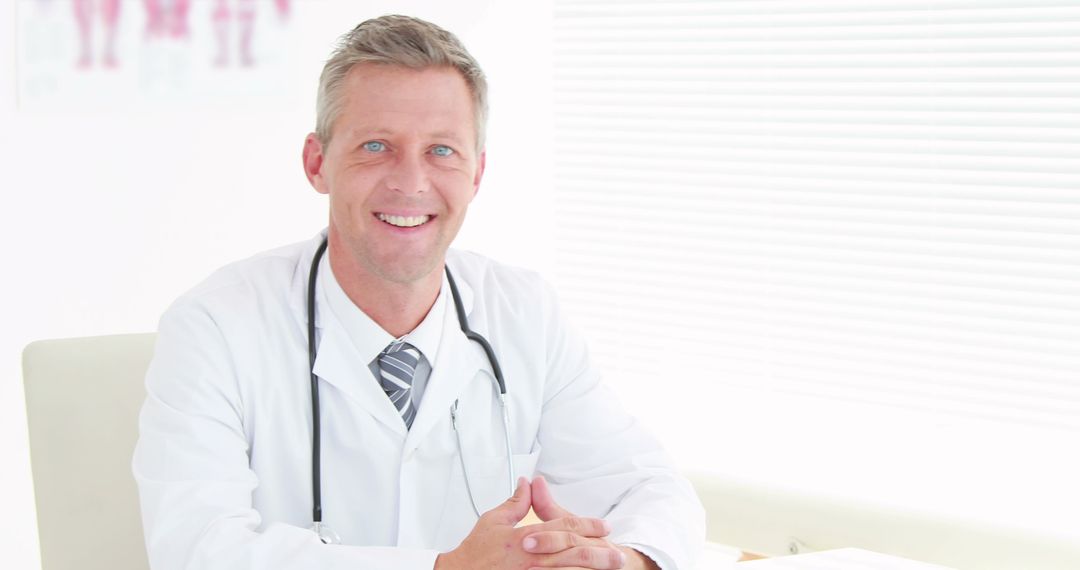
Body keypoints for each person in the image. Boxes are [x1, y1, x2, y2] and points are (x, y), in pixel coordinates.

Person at [132, 14, 705, 570]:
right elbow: (196, 550)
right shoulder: (214, 325)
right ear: (317, 163)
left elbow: (650, 489)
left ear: (476, 174)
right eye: (376, 146)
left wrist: (622, 559)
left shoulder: (524, 312)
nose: (411, 182)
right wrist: (444, 568)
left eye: (442, 150)